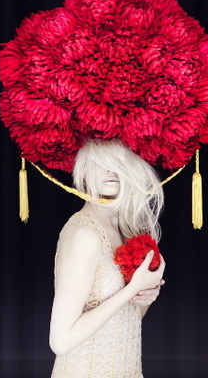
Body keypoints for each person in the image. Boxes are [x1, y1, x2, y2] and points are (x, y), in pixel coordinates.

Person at [49, 139, 166, 378]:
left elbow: (127, 318)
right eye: (100, 163)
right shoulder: (85, 235)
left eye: (118, 162)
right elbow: (61, 341)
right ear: (83, 171)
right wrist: (132, 288)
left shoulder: (128, 230)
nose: (111, 171)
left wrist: (144, 296)